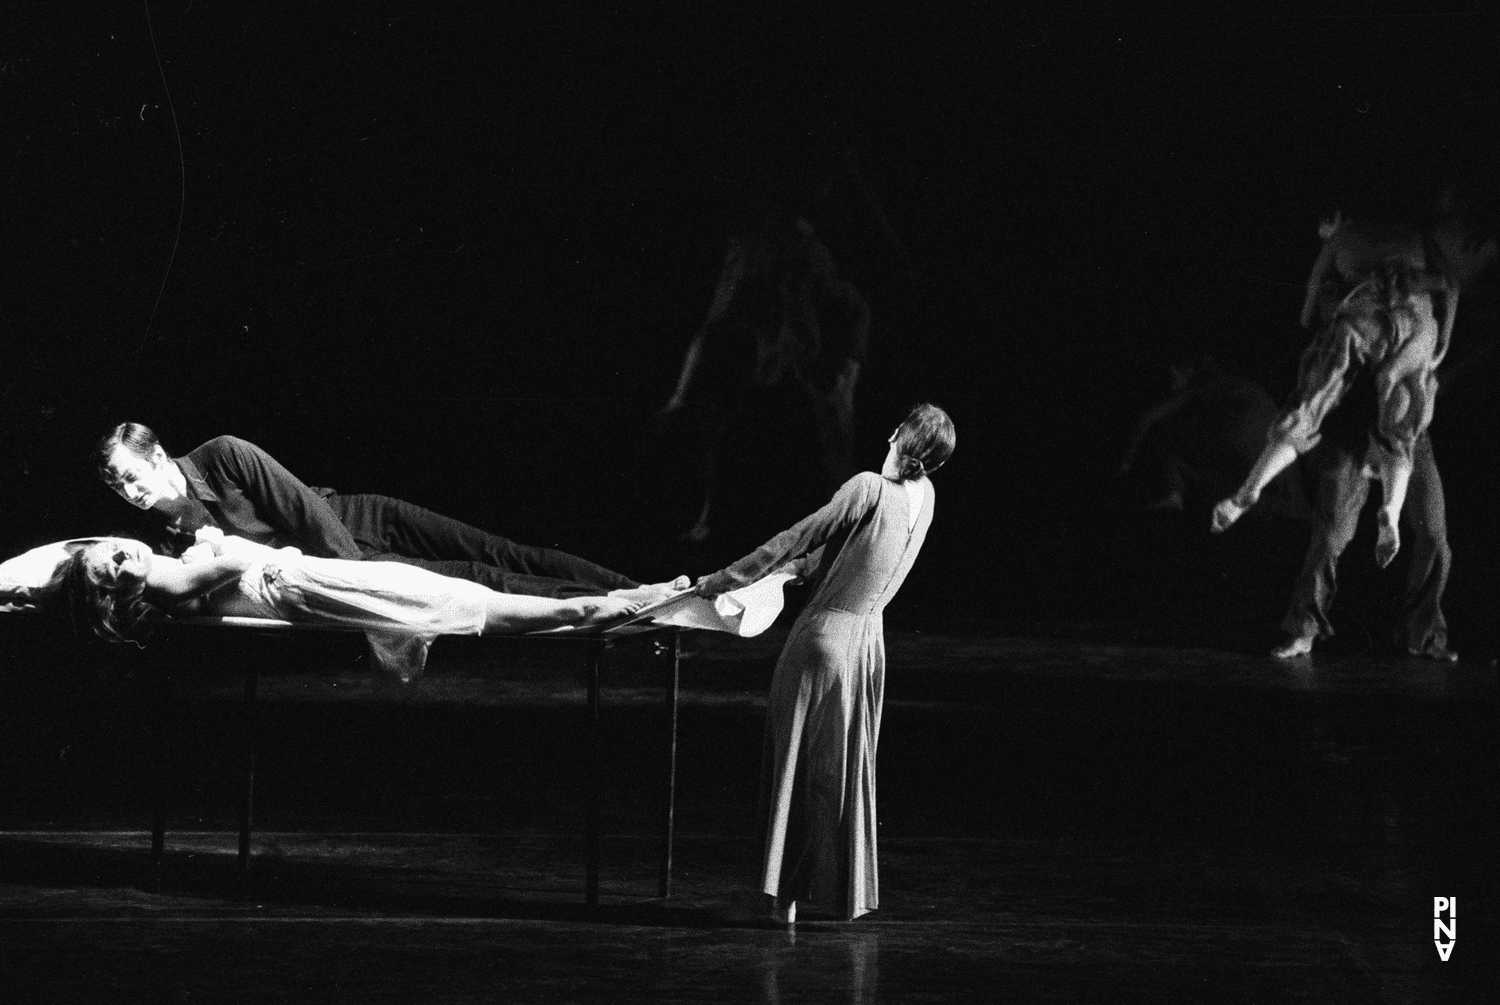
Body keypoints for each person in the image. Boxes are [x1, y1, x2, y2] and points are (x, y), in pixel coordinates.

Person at [695, 403, 954, 923]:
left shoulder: (866, 486)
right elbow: (847, 551)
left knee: (794, 766)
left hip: (822, 639)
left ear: (902, 439)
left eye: (896, 429)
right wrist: (795, 571)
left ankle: (781, 902)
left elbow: (801, 535)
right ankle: (838, 894)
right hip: (866, 647)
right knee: (840, 770)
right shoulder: (924, 499)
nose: (886, 434)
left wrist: (724, 579)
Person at [96, 423, 678, 600]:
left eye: (131, 475)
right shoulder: (164, 531)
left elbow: (306, 514)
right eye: (117, 485)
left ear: (157, 454)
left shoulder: (224, 457)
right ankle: (630, 605)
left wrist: (366, 582)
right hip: (340, 567)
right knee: (481, 580)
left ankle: (643, 588)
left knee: (495, 550)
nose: (129, 491)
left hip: (356, 523)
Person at [67, 531, 643, 645]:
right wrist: (211, 543)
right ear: (120, 587)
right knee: (459, 601)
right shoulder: (166, 579)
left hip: (306, 590)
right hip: (301, 582)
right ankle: (611, 607)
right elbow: (241, 553)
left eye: (117, 545)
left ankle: (613, 606)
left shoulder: (163, 584)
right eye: (116, 565)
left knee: (457, 602)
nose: (128, 552)